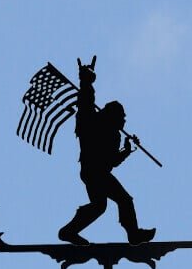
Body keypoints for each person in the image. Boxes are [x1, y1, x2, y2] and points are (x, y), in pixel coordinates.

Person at [59, 58, 155, 246]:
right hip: (94, 172)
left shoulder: (114, 136)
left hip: (97, 172)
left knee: (99, 206)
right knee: (124, 200)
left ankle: (69, 231)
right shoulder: (91, 124)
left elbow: (111, 161)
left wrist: (126, 150)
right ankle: (133, 234)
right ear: (112, 116)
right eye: (122, 117)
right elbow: (85, 103)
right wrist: (86, 82)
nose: (124, 121)